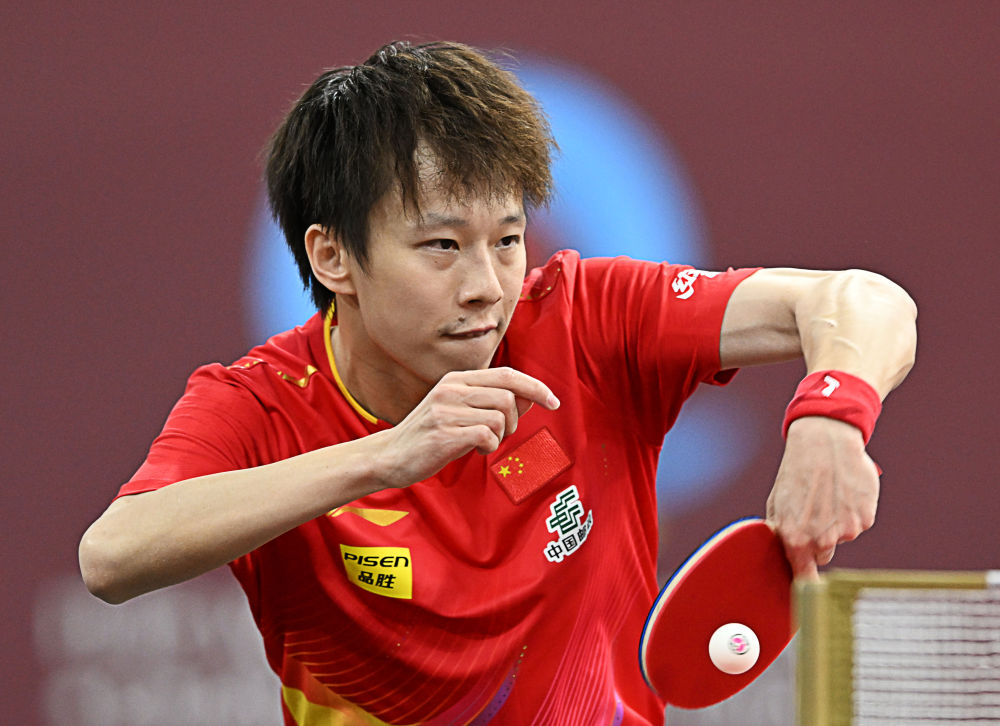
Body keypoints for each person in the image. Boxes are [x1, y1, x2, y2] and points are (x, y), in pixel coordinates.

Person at [79, 40, 917, 725]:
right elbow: (113, 557)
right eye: (442, 247)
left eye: (508, 240)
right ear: (332, 257)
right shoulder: (262, 403)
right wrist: (383, 458)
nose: (487, 285)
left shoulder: (587, 323)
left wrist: (832, 419)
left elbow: (863, 300)